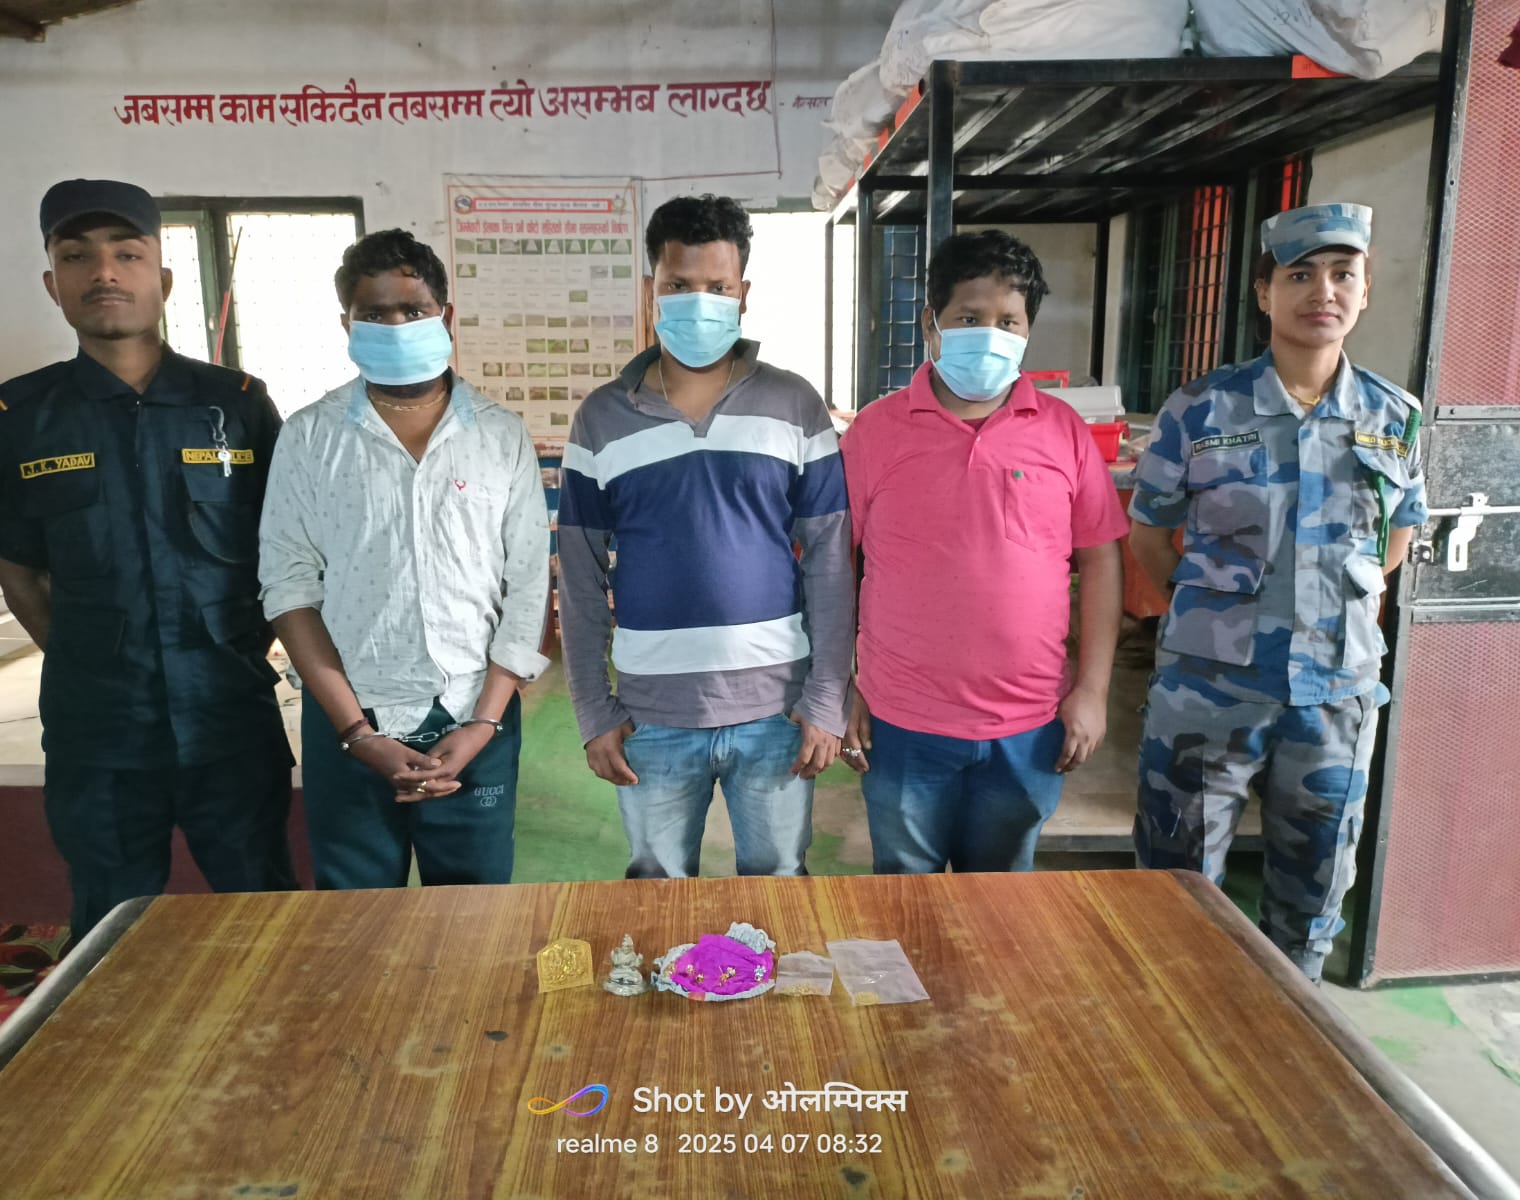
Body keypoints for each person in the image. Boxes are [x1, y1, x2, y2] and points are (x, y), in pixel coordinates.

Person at [0, 178, 295, 945]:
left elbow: (284, 553)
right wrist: (88, 658)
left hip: (229, 717)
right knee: (109, 929)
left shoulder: (237, 403)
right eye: (77, 256)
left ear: (163, 278)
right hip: (99, 732)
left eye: (127, 253)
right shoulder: (21, 416)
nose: (104, 273)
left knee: (264, 914)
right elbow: (18, 568)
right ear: (52, 284)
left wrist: (239, 649)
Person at [1128, 203, 1428, 982]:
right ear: (1264, 293)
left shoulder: (1394, 416)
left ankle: (1292, 1030)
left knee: (1311, 902)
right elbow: (1151, 537)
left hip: (1334, 698)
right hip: (1207, 695)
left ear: (1364, 292)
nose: (1322, 291)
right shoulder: (1201, 409)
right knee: (1175, 895)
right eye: (1299, 275)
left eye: (1343, 275)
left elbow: (1396, 538)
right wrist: (1212, 618)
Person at [556, 194, 854, 879]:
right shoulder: (602, 417)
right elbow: (578, 576)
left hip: (777, 710)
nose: (699, 303)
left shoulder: (795, 404)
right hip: (651, 714)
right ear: (651, 292)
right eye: (679, 285)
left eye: (717, 287)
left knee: (778, 888)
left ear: (743, 293)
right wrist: (593, 710)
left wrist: (826, 699)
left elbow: (831, 564)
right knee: (658, 891)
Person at [259, 229, 550, 890]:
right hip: (351, 720)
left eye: (412, 309)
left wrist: (483, 722)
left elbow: (528, 585)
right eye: (374, 313)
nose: (395, 325)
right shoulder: (310, 436)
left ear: (445, 315)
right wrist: (357, 733)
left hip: (473, 716)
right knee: (356, 923)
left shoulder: (499, 435)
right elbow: (289, 587)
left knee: (473, 916)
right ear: (347, 325)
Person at [839, 230, 1128, 874]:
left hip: (1030, 722)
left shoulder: (1063, 432)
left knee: (1000, 900)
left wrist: (1092, 690)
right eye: (969, 318)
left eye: (1008, 321)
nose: (990, 335)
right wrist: (841, 684)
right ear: (931, 325)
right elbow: (834, 566)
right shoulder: (875, 433)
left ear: (1027, 332)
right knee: (906, 896)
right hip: (902, 720)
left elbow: (1102, 560)